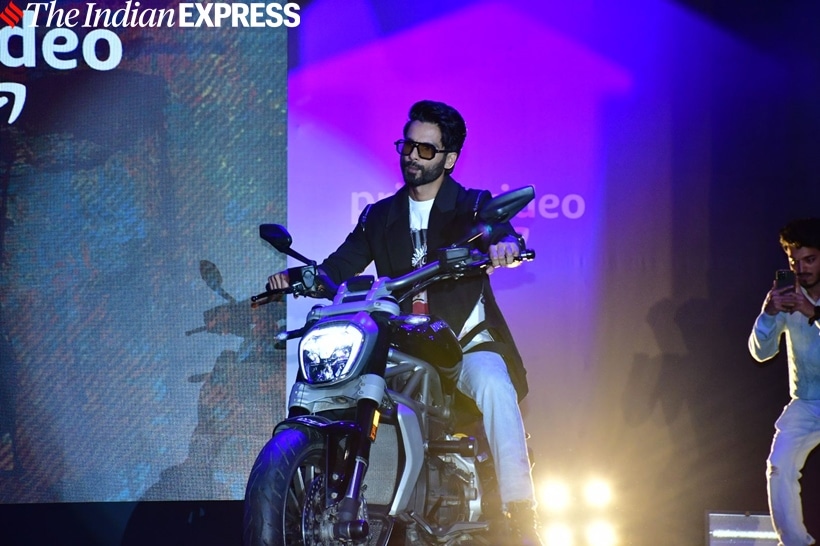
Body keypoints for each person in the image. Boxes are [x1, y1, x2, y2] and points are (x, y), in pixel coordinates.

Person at [268, 100, 542, 545]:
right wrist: (302, 277)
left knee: (494, 385)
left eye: (425, 150)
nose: (412, 155)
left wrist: (504, 245)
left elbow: (500, 231)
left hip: (463, 345)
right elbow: (338, 268)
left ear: (449, 159)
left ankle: (520, 515)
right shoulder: (380, 215)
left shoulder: (471, 206)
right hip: (400, 348)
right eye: (407, 145)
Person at [749, 217, 820, 546]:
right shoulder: (787, 296)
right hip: (806, 402)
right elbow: (760, 354)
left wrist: (813, 313)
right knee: (779, 467)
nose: (802, 269)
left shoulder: (804, 304)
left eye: (810, 259)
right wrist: (768, 314)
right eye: (795, 261)